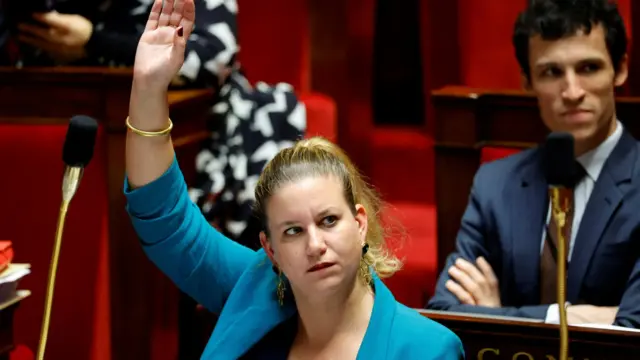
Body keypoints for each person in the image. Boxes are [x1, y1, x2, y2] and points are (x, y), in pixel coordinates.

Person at [123, 0, 464, 358]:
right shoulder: (254, 287)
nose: (315, 244)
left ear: (360, 223)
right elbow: (165, 220)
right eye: (292, 231)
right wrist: (148, 87)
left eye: (329, 220)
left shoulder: (427, 348)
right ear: (271, 250)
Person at [427, 0, 640, 328]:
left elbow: (635, 327)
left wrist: (497, 316)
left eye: (588, 68)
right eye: (551, 72)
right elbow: (444, 313)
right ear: (527, 81)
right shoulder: (496, 183)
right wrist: (571, 317)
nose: (572, 91)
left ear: (620, 69)